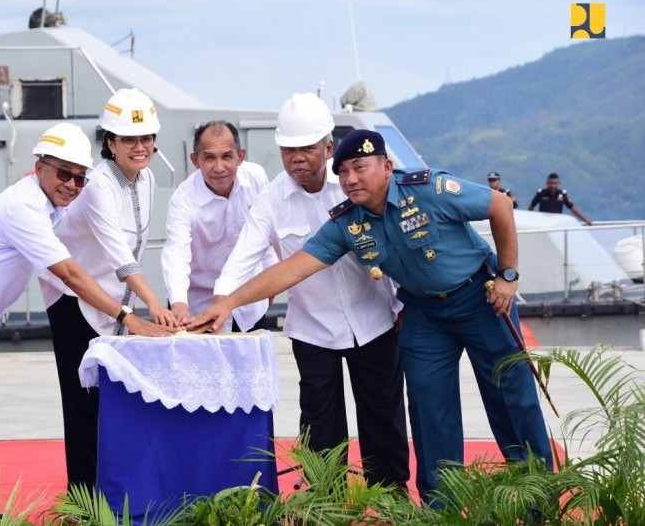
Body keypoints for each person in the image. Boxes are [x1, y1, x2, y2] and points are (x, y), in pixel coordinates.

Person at [192, 128, 553, 504]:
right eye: (343, 172)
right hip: (425, 313)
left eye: (359, 168)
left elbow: (499, 206)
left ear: (386, 166)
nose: (350, 179)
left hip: (481, 299)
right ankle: (441, 506)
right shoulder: (348, 223)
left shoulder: (428, 190)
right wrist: (229, 301)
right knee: (430, 410)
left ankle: (536, 499)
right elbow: (292, 269)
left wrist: (508, 276)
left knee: (511, 397)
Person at [0, 123, 171, 520]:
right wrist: (128, 316)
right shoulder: (24, 208)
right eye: (63, 173)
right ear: (40, 166)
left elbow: (75, 220)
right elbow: (71, 274)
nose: (72, 184)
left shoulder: (44, 198)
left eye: (80, 177)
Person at [211, 94, 410, 489]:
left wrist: (404, 301)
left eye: (306, 148)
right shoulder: (271, 200)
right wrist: (221, 301)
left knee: (383, 415)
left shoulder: (353, 185)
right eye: (288, 149)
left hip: (373, 320)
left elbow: (398, 239)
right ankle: (326, 501)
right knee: (320, 423)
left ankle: (392, 498)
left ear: (328, 147)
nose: (296, 157)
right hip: (312, 329)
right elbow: (243, 256)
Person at [38, 88, 179, 493]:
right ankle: (82, 497)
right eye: (129, 139)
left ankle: (115, 490)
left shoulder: (149, 178)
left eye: (147, 138)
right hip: (72, 300)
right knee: (81, 402)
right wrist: (154, 306)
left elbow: (140, 243)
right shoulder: (98, 183)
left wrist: (138, 305)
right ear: (110, 143)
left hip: (117, 300)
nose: (140, 147)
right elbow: (120, 254)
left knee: (114, 399)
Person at [161, 120, 274, 332]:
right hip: (198, 310)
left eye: (227, 156)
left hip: (249, 305)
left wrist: (271, 284)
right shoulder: (183, 199)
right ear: (196, 160)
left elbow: (267, 234)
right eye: (210, 158)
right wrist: (178, 303)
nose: (219, 167)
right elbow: (177, 252)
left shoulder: (257, 178)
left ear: (240, 157)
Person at [527, 172, 593, 224]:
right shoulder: (541, 193)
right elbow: (531, 207)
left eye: (555, 183)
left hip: (556, 223)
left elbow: (572, 208)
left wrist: (586, 220)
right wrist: (531, 221)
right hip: (544, 224)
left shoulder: (562, 194)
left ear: (559, 184)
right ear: (547, 183)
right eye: (551, 183)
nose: (553, 186)